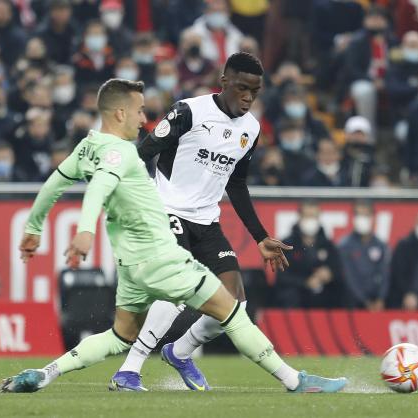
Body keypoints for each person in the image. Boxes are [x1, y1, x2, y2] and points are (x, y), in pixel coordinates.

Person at [0, 78, 345, 394]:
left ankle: (48, 373)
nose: (144, 118)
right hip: (162, 247)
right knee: (231, 311)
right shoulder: (127, 153)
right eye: (138, 110)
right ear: (120, 112)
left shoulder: (88, 146)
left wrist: (33, 228)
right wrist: (85, 231)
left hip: (137, 257)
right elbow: (101, 186)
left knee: (122, 334)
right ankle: (294, 380)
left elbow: (55, 184)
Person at [111, 53, 297, 392]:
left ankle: (180, 352)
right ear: (223, 82)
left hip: (207, 222)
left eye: (254, 92)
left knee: (235, 302)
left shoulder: (251, 129)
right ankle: (129, 370)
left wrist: (260, 236)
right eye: (241, 88)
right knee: (177, 290)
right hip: (167, 210)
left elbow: (236, 183)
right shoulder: (189, 111)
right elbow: (144, 151)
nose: (247, 98)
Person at [275, 200, 344, 308]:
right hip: (298, 293)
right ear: (299, 217)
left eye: (314, 217)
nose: (310, 220)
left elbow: (339, 270)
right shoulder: (286, 245)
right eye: (307, 216)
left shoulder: (328, 245)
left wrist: (330, 274)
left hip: (323, 292)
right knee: (289, 294)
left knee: (340, 291)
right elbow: (281, 276)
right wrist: (305, 282)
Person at [338, 200, 389, 310]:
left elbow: (385, 274)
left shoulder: (381, 245)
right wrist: (365, 301)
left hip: (377, 302)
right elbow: (349, 277)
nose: (361, 219)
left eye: (365, 215)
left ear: (372, 217)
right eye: (358, 215)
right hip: (353, 302)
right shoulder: (344, 246)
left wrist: (381, 298)